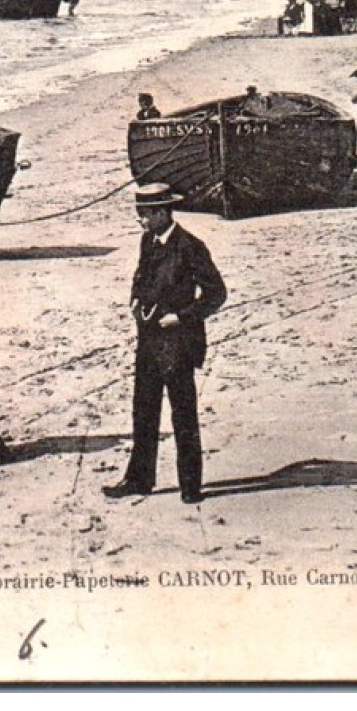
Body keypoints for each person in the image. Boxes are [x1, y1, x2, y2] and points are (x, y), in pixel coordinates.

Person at [104, 184, 227, 506]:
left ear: (162, 213)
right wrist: (134, 300)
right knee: (143, 412)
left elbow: (216, 295)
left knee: (183, 415)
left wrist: (182, 317)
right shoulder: (148, 240)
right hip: (148, 340)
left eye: (144, 216)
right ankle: (139, 480)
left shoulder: (190, 246)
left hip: (179, 344)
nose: (140, 222)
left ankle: (190, 486)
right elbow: (141, 276)